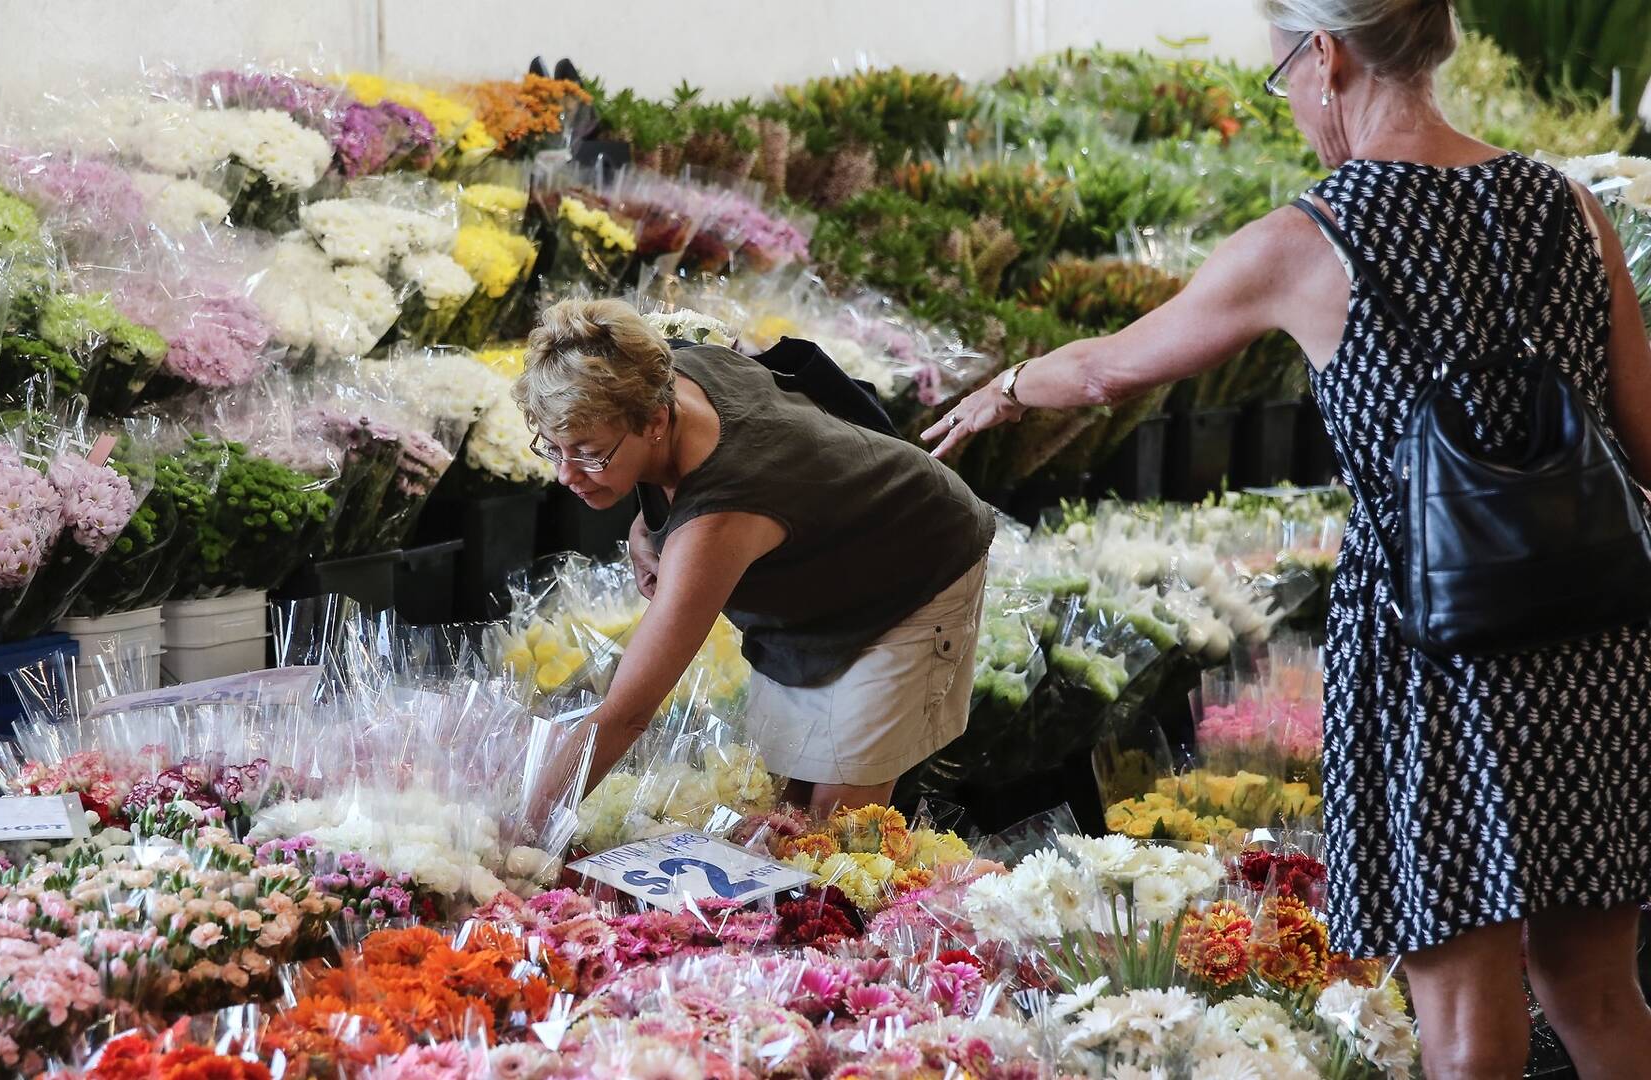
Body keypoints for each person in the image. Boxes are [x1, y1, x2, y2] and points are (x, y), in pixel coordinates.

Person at [924, 2, 1651, 1076]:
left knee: (1464, 1021)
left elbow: (1113, 368)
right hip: (1596, 642)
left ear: (1327, 54)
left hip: (1430, 652)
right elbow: (1645, 437)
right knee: (1596, 990)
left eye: (1284, 80)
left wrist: (1009, 387)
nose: (1297, 108)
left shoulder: (1311, 239)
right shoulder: (1569, 208)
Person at [513, 298, 994, 817]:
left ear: (655, 421)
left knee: (834, 824)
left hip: (913, 567)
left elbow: (627, 714)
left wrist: (522, 824)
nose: (566, 475)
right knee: (783, 806)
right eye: (553, 448)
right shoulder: (658, 369)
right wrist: (645, 523)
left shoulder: (719, 517)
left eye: (589, 453)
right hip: (821, 572)